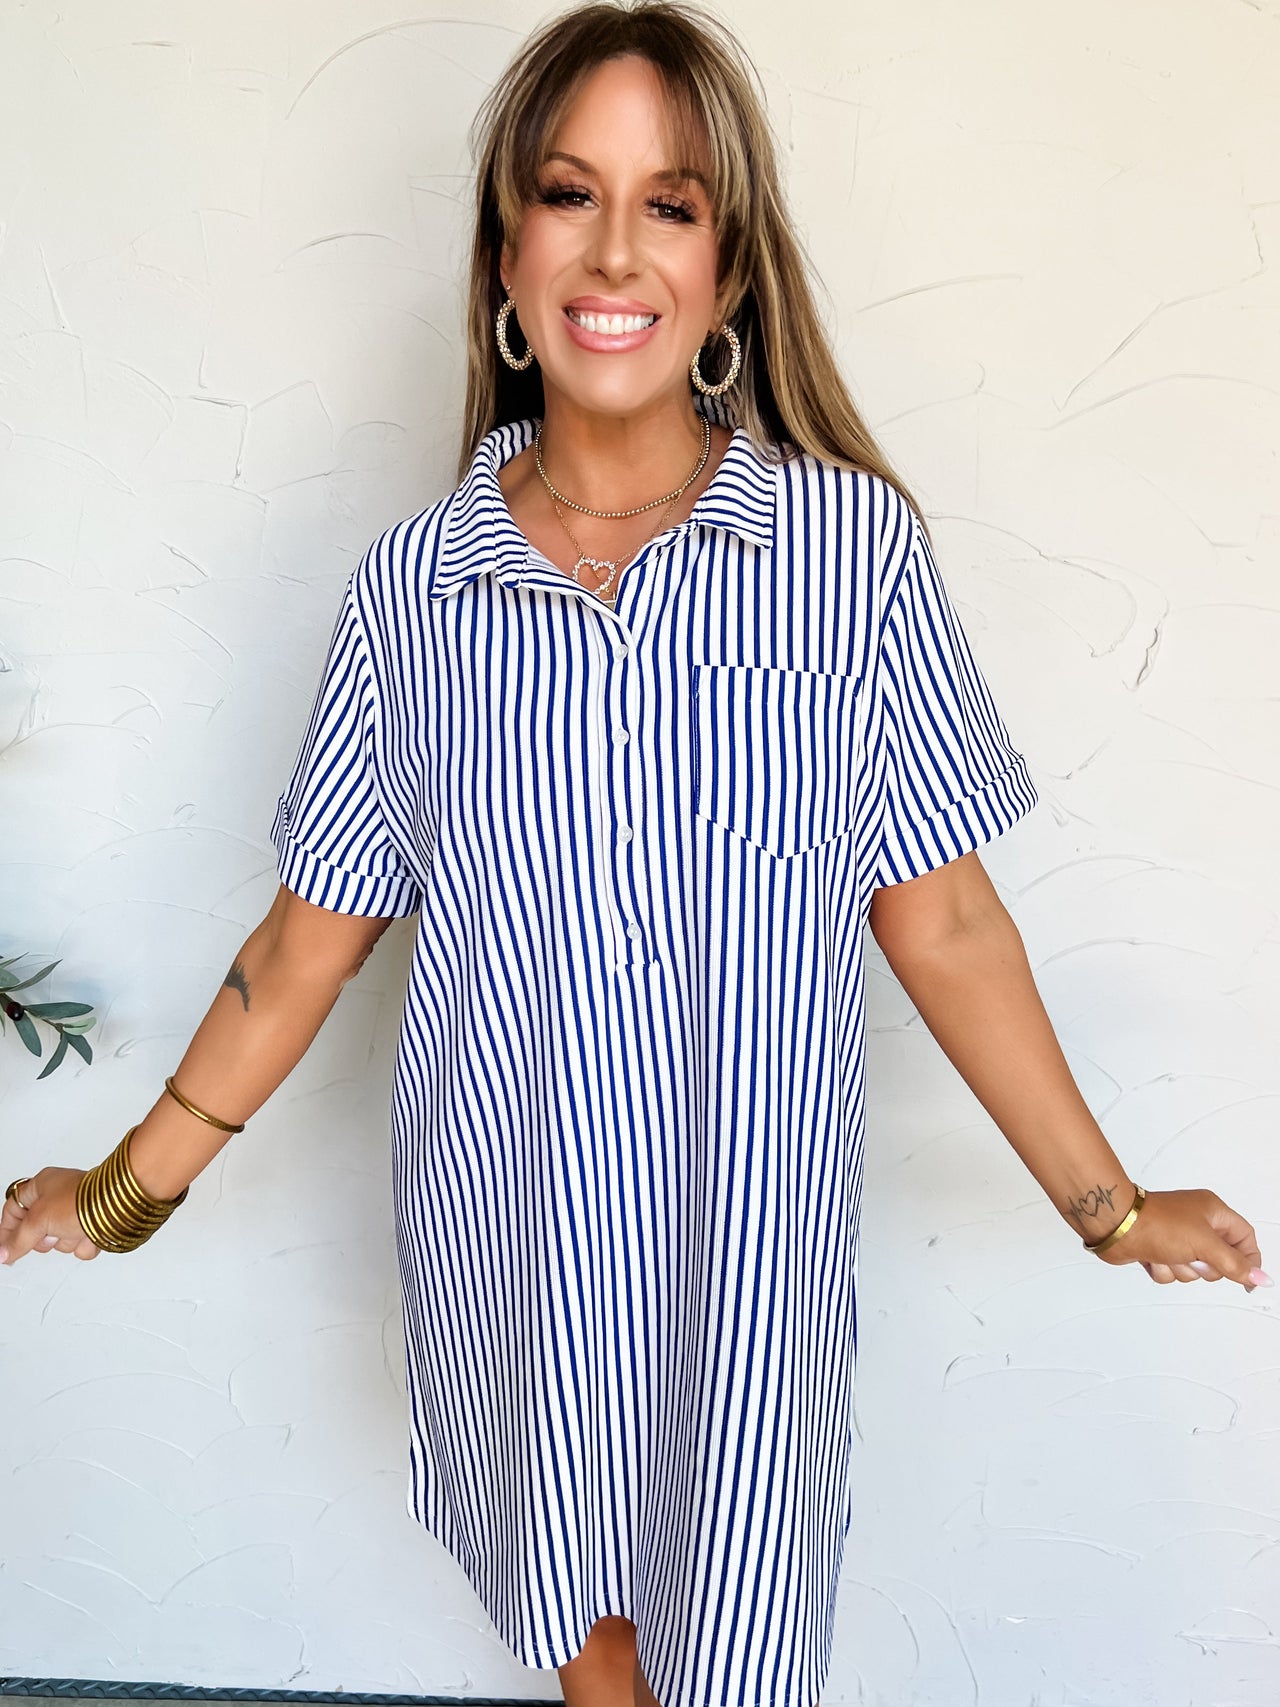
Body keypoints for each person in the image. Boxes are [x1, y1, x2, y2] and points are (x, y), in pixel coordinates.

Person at [3, 4, 1269, 1706]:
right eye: (566, 193)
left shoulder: (841, 555)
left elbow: (947, 915)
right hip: (501, 1234)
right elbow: (308, 942)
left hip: (747, 1251)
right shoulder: (414, 595)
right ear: (501, 263)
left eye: (671, 204)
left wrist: (1106, 1208)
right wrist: (121, 1194)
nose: (615, 249)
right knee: (586, 1630)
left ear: (729, 270)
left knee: (735, 1638)